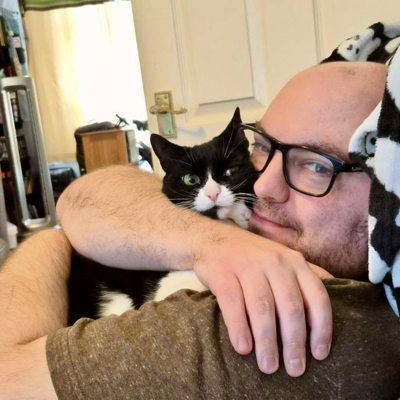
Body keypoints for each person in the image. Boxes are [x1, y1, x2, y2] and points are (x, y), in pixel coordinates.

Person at [1, 61, 400, 399]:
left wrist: (49, 241)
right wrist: (215, 242)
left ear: (389, 190)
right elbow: (81, 197)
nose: (263, 186)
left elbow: (7, 378)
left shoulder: (272, 322)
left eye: (316, 165)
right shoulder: (243, 227)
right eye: (263, 146)